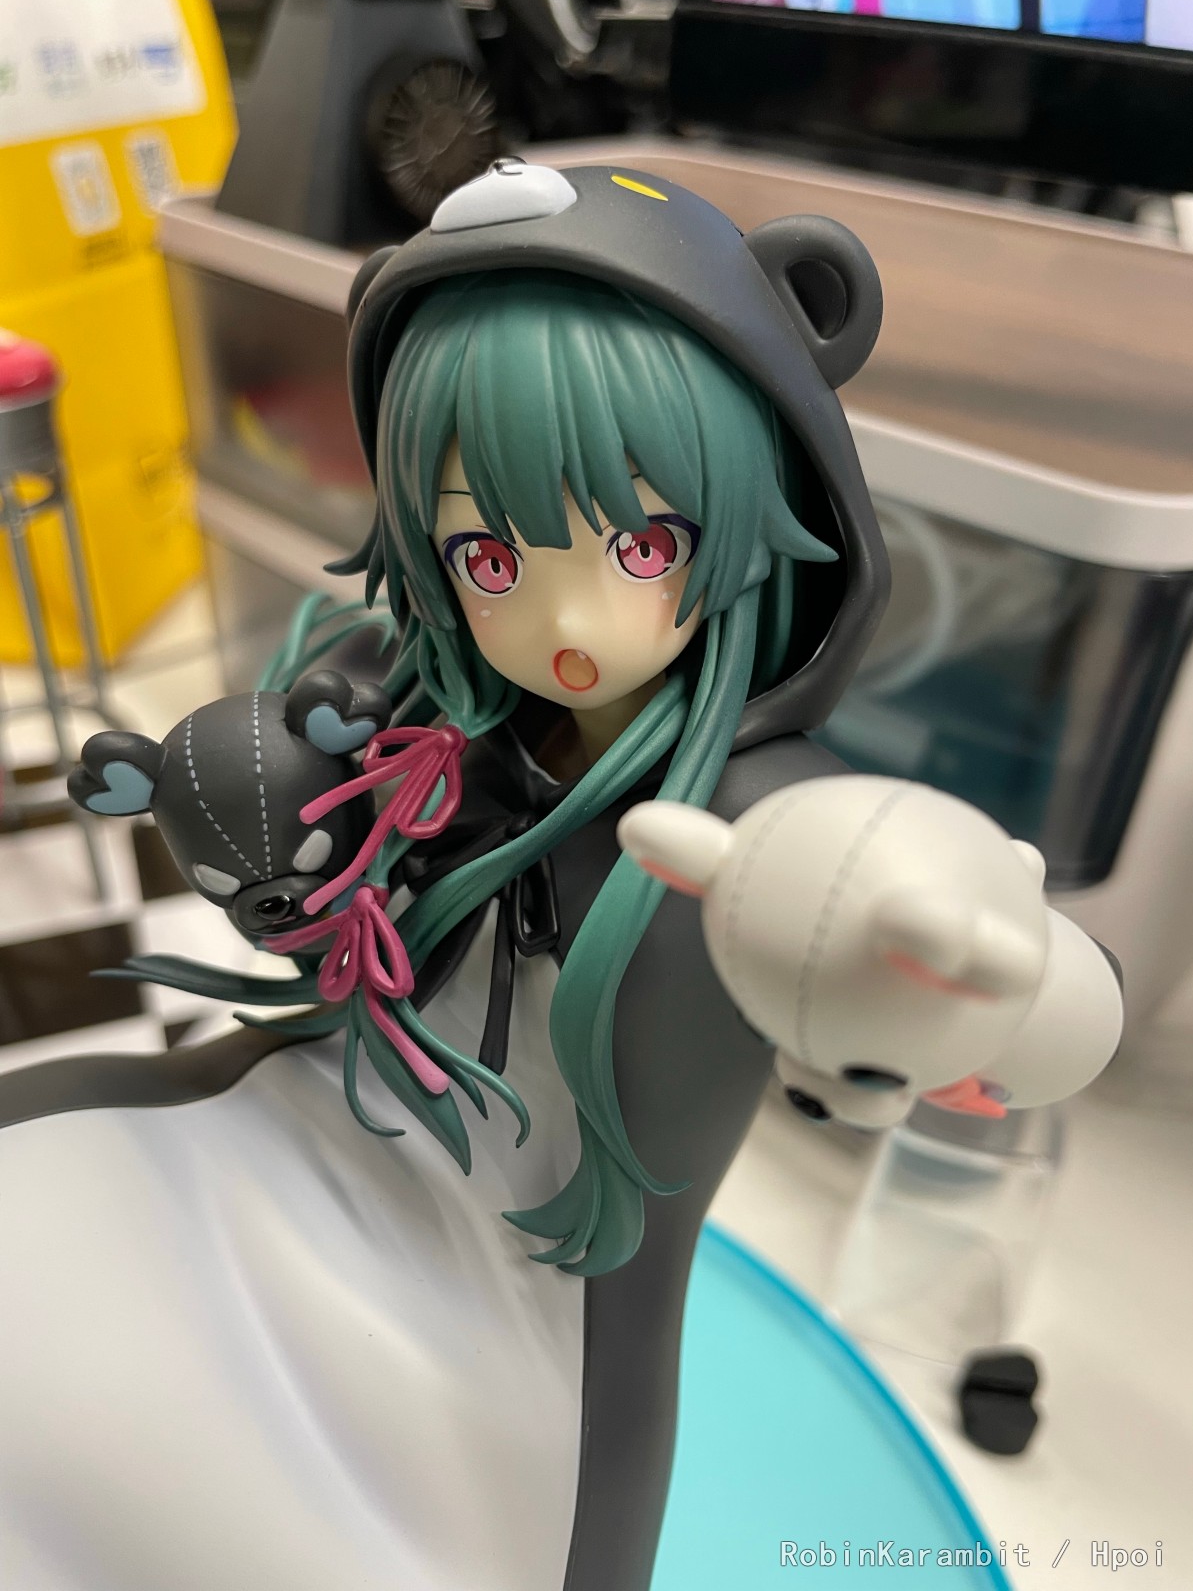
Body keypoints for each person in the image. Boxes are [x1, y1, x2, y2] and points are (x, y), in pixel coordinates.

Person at [0, 162, 1117, 1591]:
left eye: (643, 542)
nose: (567, 621)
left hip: (533, 1311)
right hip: (300, 1139)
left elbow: (1057, 1007)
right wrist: (265, 857)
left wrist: (976, 962)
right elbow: (330, 952)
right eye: (487, 554)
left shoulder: (764, 811)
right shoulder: (410, 714)